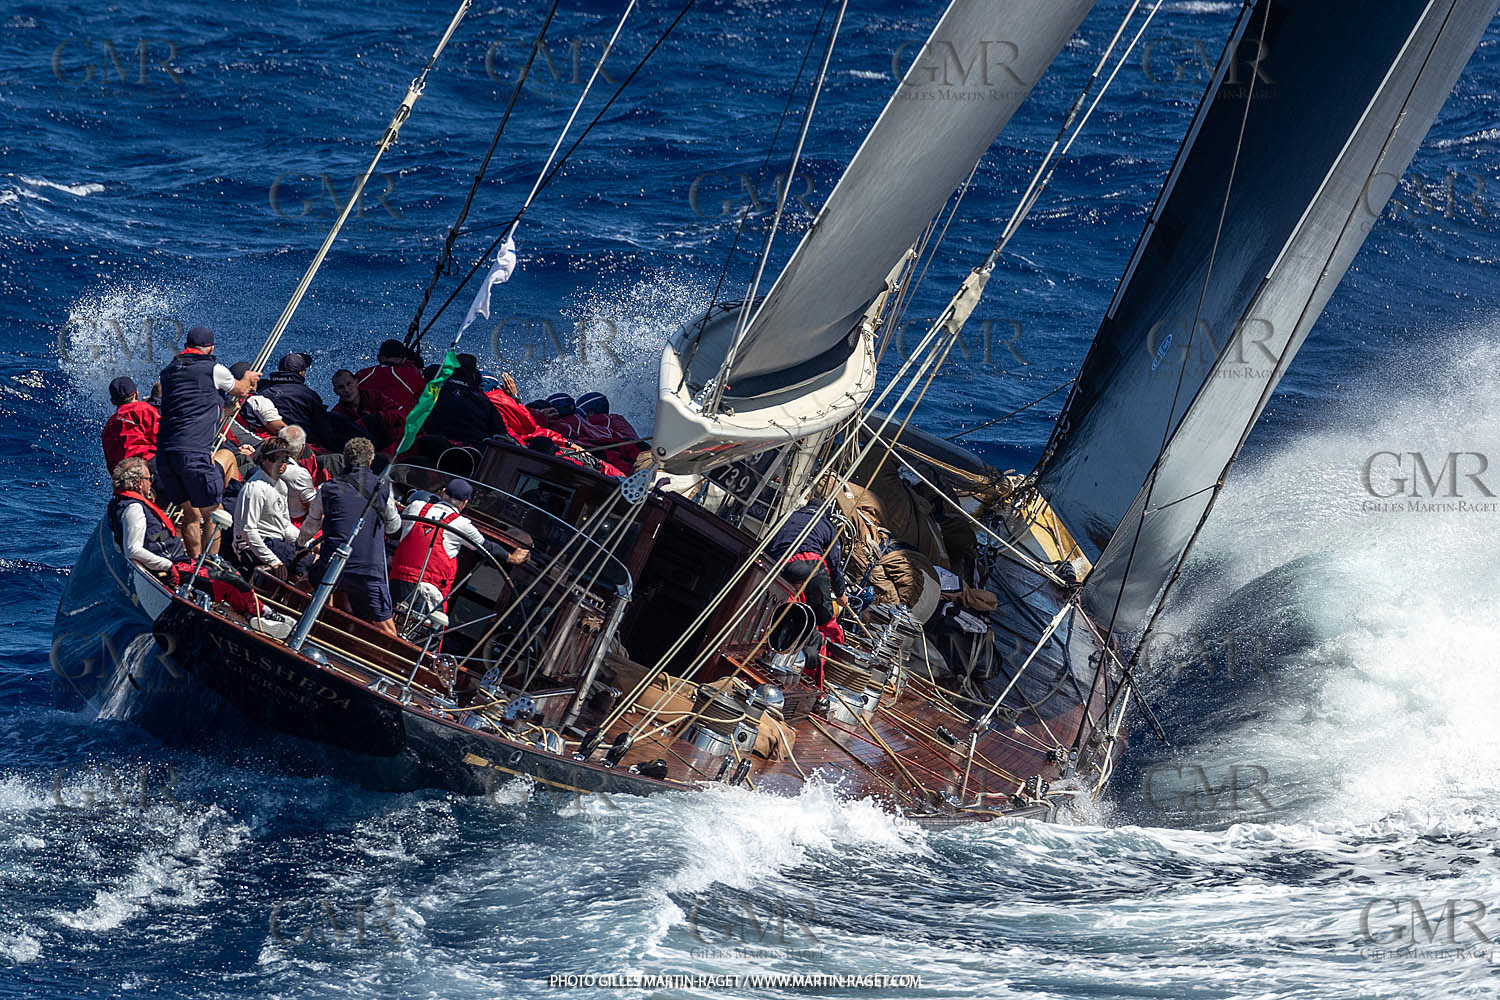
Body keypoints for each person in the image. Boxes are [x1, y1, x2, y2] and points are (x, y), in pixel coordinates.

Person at [156, 325, 258, 558]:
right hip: (193, 454)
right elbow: (241, 390)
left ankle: (192, 563)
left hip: (166, 453)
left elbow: (194, 404)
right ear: (210, 347)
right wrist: (248, 378)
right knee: (214, 512)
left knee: (190, 512)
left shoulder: (169, 371)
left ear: (186, 347)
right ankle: (209, 563)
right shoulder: (214, 369)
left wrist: (226, 408)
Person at [298, 437, 401, 637]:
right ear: (370, 462)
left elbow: (310, 526)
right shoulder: (383, 488)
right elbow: (394, 526)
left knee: (302, 585)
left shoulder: (327, 488)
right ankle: (394, 661)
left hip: (332, 566)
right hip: (369, 570)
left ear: (344, 460)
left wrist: (301, 544)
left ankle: (287, 616)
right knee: (386, 626)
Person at [389, 478, 491, 613]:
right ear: (464, 503)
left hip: (397, 580)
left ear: (443, 493)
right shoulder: (463, 524)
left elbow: (396, 529)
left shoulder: (417, 506)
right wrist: (511, 557)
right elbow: (487, 547)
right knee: (427, 628)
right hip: (429, 592)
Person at [768, 501, 849, 645]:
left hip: (778, 567)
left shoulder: (786, 516)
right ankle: (838, 646)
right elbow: (834, 564)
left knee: (783, 607)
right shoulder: (827, 527)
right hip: (808, 566)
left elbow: (768, 543)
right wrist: (840, 593)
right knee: (825, 617)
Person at [107, 456, 188, 583]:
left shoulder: (118, 503)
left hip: (171, 560)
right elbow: (133, 550)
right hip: (173, 564)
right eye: (149, 479)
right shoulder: (134, 508)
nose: (151, 483)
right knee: (225, 583)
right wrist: (167, 565)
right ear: (140, 483)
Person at [233, 440, 307, 578]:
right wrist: (273, 561)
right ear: (263, 459)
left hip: (277, 543)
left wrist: (308, 542)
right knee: (309, 564)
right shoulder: (255, 488)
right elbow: (248, 531)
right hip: (253, 548)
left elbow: (285, 526)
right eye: (275, 458)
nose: (281, 463)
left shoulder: (282, 486)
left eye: (285, 459)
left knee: (317, 557)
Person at [421, 354, 509, 449]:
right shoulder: (485, 402)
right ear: (473, 375)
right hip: (470, 452)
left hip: (432, 448)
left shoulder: (432, 392)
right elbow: (500, 433)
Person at [247, 352, 331, 447]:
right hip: (300, 446)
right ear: (302, 373)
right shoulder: (309, 395)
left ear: (279, 370)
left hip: (269, 445)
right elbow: (323, 429)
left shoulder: (262, 390)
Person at [329, 368, 404, 453]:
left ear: (357, 382)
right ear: (335, 391)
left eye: (349, 384)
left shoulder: (374, 397)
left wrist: (377, 418)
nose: (346, 390)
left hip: (394, 448)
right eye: (341, 387)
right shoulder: (337, 414)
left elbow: (400, 415)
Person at [101, 375, 159, 472]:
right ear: (136, 394)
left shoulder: (109, 425)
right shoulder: (143, 409)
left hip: (122, 473)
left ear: (112, 402)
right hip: (147, 466)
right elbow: (161, 437)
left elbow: (110, 461)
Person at [355, 339, 426, 415]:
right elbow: (425, 397)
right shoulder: (411, 374)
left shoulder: (361, 375)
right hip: (400, 423)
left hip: (364, 423)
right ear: (403, 359)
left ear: (379, 358)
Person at [274, 425, 323, 524]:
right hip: (295, 523)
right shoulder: (299, 475)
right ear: (302, 448)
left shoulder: (265, 462)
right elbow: (314, 510)